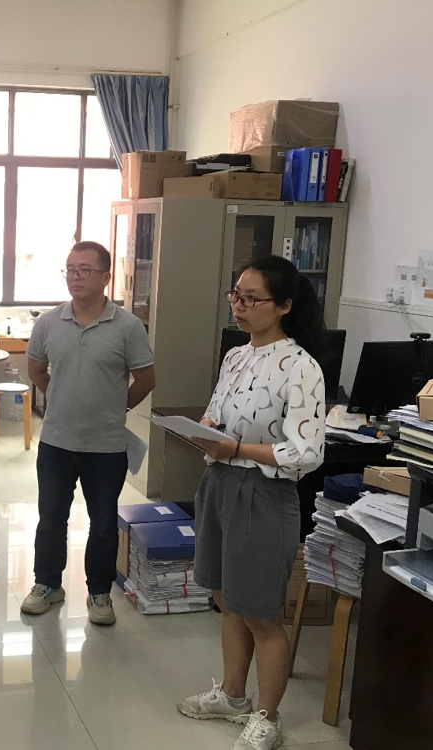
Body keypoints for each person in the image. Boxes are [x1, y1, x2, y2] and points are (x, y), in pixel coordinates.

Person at [176, 255, 327, 750]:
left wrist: (237, 447)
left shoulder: (302, 367)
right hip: (219, 484)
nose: (238, 306)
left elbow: (306, 453)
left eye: (251, 298)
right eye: (235, 295)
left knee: (261, 612)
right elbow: (216, 415)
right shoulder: (235, 356)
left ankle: (268, 717)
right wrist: (205, 431)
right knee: (227, 598)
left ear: (283, 306)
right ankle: (233, 696)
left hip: (264, 494)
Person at [22, 240, 155, 626]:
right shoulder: (48, 323)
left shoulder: (127, 326)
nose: (75, 276)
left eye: (84, 270)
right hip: (57, 442)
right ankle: (47, 584)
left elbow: (146, 378)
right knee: (50, 519)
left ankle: (99, 592)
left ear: (106, 277)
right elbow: (36, 371)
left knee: (103, 524)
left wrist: (115, 408)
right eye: (70, 269)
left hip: (106, 445)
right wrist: (62, 398)